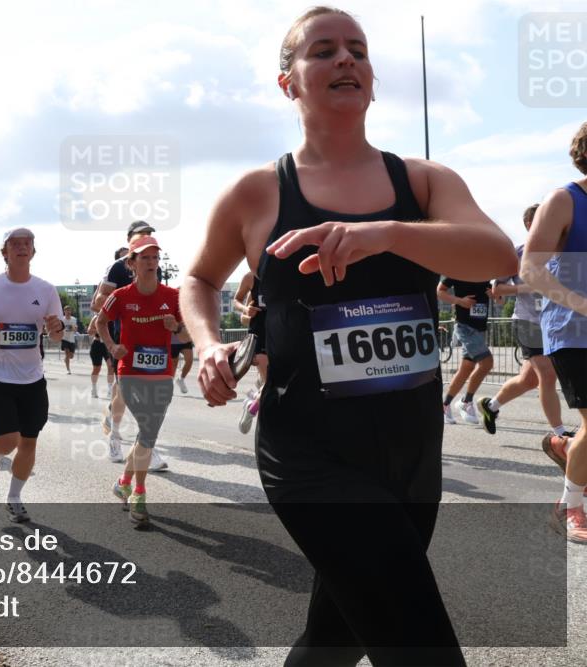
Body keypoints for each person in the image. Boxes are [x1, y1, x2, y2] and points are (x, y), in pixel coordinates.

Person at [180, 8, 516, 664]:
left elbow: (497, 255)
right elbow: (198, 278)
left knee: (335, 640)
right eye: (324, 50)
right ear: (288, 82)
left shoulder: (422, 182)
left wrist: (386, 233)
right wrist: (207, 343)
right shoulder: (257, 192)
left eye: (358, 50)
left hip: (412, 450)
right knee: (418, 643)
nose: (346, 59)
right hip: (309, 453)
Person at [0, 227, 64, 523]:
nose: (22, 247)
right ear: (5, 252)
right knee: (8, 441)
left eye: (27, 243)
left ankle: (14, 498)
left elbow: (57, 334)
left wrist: (56, 328)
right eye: (15, 243)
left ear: (33, 251)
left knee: (29, 442)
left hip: (33, 378)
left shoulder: (46, 290)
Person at [521, 121, 587, 544]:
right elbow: (530, 269)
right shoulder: (564, 200)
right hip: (573, 331)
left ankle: (569, 448)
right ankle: (570, 506)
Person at [96, 235, 181, 526]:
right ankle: (139, 493)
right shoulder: (120, 296)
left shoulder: (173, 296)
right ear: (132, 263)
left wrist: (176, 326)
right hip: (130, 372)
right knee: (147, 429)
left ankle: (123, 482)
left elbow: (186, 333)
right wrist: (112, 346)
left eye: (155, 257)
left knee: (147, 434)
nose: (152, 262)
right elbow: (100, 322)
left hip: (162, 373)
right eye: (145, 257)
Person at [478, 204, 574, 438]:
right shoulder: (518, 254)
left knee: (528, 380)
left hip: (553, 323)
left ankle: (491, 406)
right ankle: (559, 434)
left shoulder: (561, 252)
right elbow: (497, 290)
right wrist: (527, 287)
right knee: (547, 375)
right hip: (527, 322)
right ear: (531, 224)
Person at [91, 227, 169, 471]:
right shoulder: (117, 267)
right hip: (124, 338)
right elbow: (98, 302)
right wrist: (124, 302)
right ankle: (115, 436)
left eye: (150, 235)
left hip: (153, 340)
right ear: (129, 240)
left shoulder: (155, 266)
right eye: (141, 235)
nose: (146, 239)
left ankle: (146, 446)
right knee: (126, 394)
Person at [438, 275, 494, 424]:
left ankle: (444, 406)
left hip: (480, 329)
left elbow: (499, 300)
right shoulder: (457, 269)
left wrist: (495, 295)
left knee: (466, 368)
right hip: (465, 327)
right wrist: (459, 301)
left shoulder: (485, 271)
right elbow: (439, 291)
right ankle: (466, 401)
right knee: (487, 363)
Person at [233, 271, 270, 434]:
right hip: (260, 337)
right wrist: (246, 310)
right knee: (270, 382)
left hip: (281, 335)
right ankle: (252, 408)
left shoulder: (284, 274)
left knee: (277, 384)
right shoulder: (251, 277)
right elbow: (239, 307)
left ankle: (253, 400)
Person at [87, 314, 115, 401]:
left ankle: (110, 390)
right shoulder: (96, 317)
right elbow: (89, 331)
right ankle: (94, 388)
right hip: (97, 344)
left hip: (108, 345)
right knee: (97, 368)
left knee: (111, 366)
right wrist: (100, 330)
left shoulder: (112, 317)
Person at [169, 323, 193, 394]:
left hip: (185, 340)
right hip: (172, 342)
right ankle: (170, 384)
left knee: (189, 360)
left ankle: (181, 379)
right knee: (174, 364)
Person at [60, 305, 78, 374]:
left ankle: (66, 359)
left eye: (69, 310)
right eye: (67, 310)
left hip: (71, 339)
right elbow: (60, 328)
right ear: (64, 311)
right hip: (64, 339)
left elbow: (75, 329)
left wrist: (74, 328)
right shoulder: (62, 319)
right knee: (67, 354)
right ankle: (68, 370)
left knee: (71, 356)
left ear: (71, 311)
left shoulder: (74, 319)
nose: (68, 312)